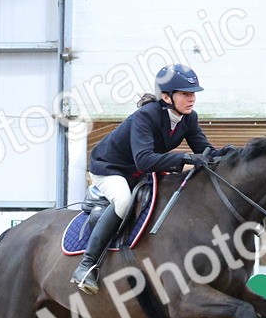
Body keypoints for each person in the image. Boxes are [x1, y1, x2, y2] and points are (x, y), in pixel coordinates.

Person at [70, 64, 232, 295]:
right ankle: (87, 266)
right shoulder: (146, 116)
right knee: (123, 201)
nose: (192, 99)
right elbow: (144, 160)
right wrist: (185, 157)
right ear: (166, 97)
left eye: (193, 93)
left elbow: (205, 151)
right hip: (111, 168)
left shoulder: (189, 118)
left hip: (140, 172)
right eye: (185, 94)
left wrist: (230, 154)